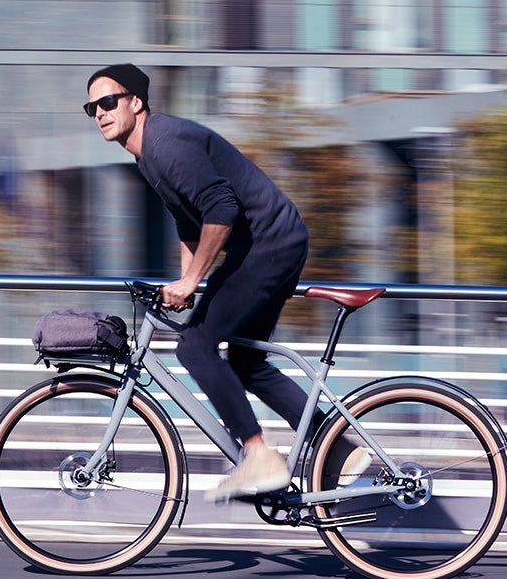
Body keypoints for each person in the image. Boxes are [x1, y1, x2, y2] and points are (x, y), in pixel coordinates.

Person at [84, 64, 366, 501]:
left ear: (136, 102)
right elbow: (189, 222)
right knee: (244, 360)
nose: (100, 113)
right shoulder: (148, 155)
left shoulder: (165, 142)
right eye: (91, 108)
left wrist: (194, 277)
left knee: (193, 346)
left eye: (108, 102)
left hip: (267, 245)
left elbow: (221, 209)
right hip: (276, 241)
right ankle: (337, 448)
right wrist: (185, 279)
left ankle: (258, 455)